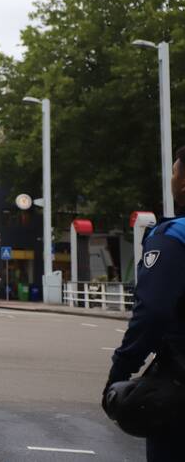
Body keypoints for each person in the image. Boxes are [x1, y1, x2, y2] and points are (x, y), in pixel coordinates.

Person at [103, 146, 185, 461]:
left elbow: (151, 314)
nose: (172, 179)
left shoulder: (174, 237)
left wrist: (120, 372)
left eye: (175, 172)